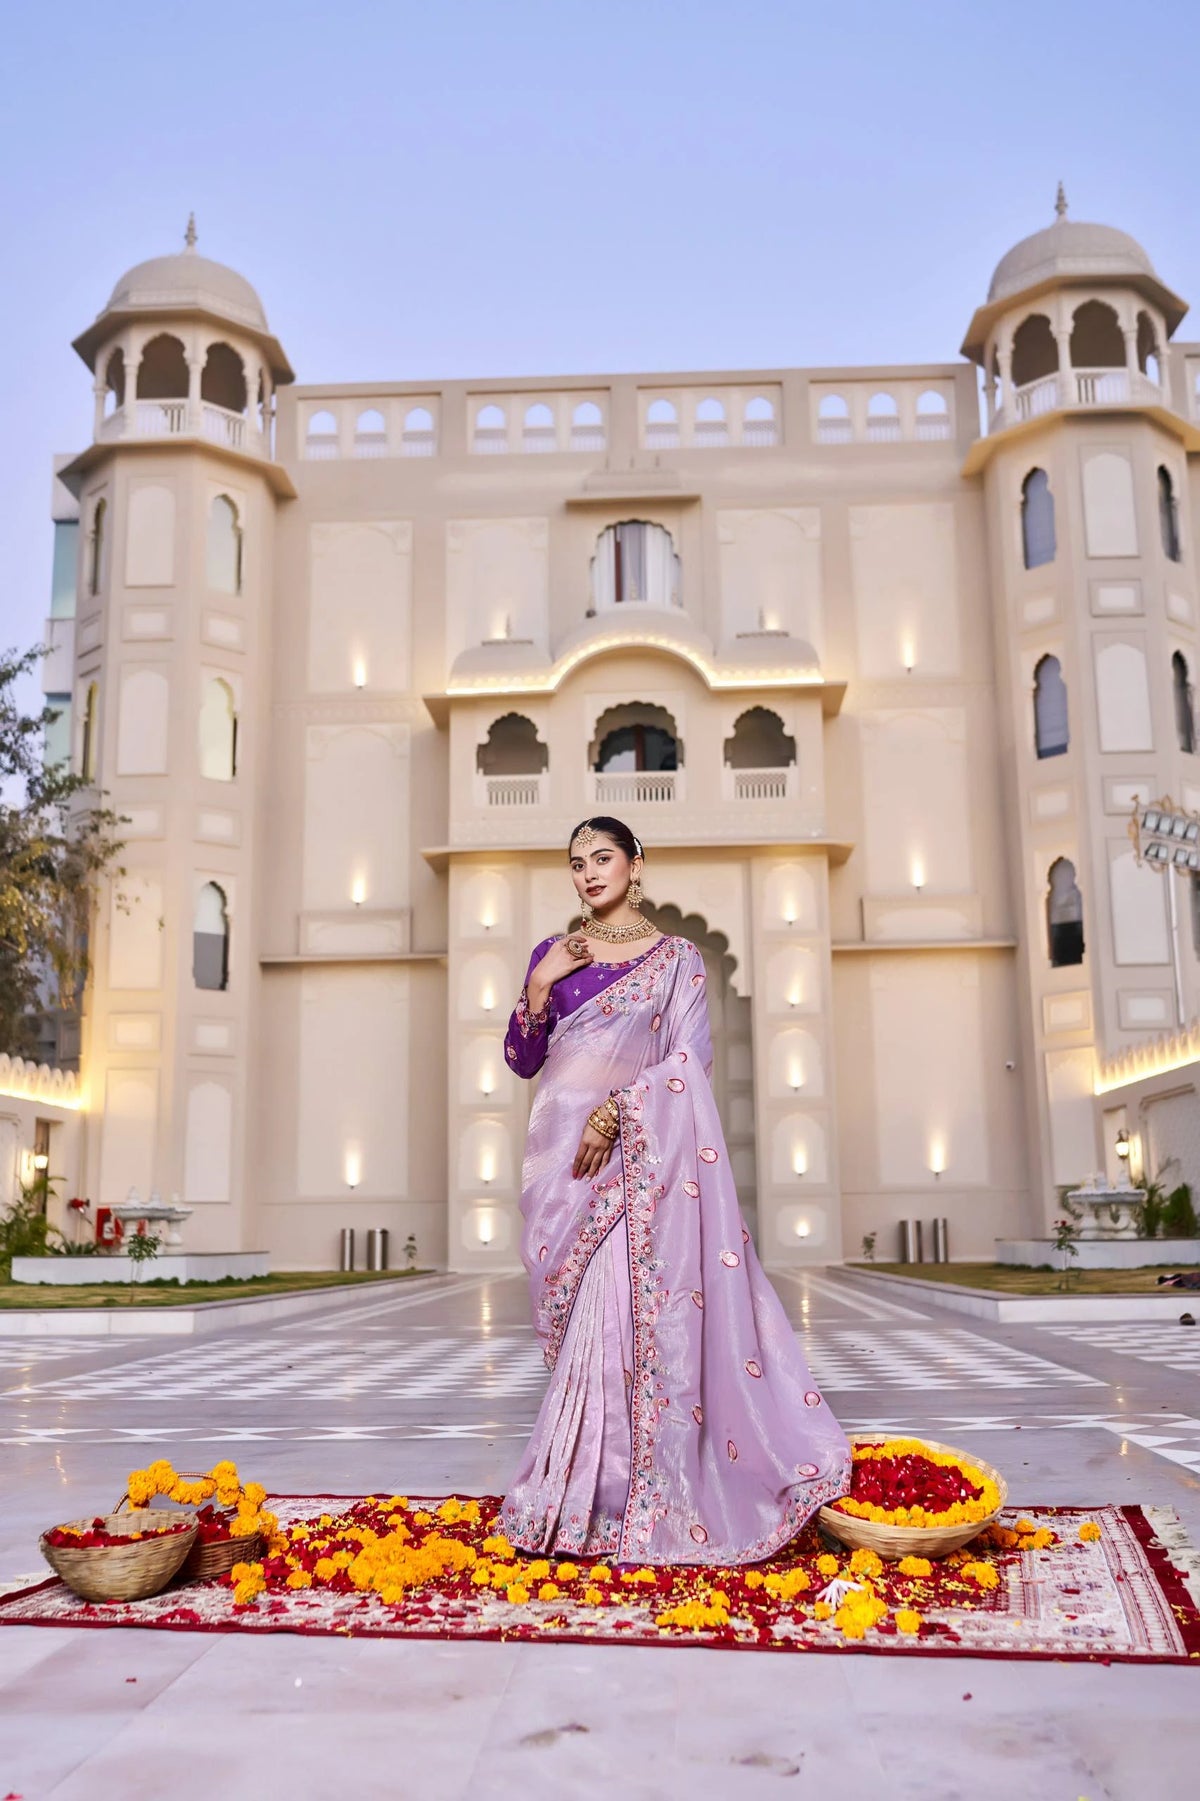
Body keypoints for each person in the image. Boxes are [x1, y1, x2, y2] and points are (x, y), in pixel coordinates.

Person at [498, 815, 851, 1565]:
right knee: (578, 1332)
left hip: (634, 1162)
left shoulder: (677, 960)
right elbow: (523, 1060)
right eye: (575, 863)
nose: (589, 873)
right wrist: (539, 981)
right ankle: (582, 1490)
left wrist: (619, 1112)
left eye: (602, 857)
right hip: (560, 1164)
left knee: (624, 1318)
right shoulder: (554, 954)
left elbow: (690, 1064)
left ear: (635, 863)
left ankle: (622, 1494)